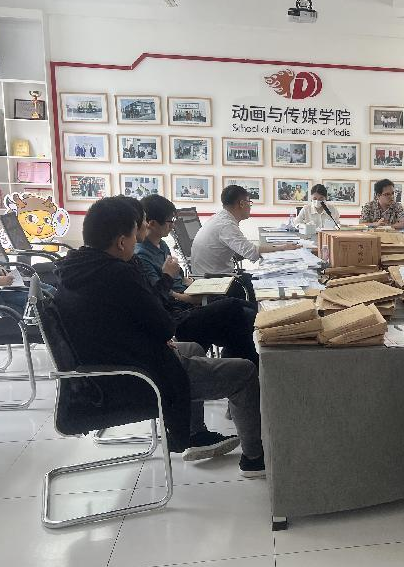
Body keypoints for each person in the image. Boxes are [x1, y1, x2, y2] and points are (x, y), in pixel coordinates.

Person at [54, 197, 265, 475]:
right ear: (121, 242)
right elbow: (165, 326)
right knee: (245, 371)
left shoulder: (74, 268)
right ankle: (254, 459)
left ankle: (195, 434)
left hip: (107, 368)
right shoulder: (118, 274)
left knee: (193, 348)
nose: (137, 239)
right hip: (136, 377)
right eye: (135, 233)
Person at [134, 195, 259, 363]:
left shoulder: (162, 245)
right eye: (170, 222)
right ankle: (251, 358)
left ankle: (246, 358)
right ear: (152, 223)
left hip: (188, 297)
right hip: (179, 312)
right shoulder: (142, 255)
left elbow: (181, 278)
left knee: (241, 312)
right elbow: (161, 294)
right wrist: (189, 297)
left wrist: (196, 285)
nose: (173, 226)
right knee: (233, 307)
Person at [190, 185, 298, 276]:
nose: (250, 207)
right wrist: (283, 248)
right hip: (214, 281)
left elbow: (246, 249)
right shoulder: (226, 225)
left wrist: (280, 246)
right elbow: (252, 252)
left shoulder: (221, 218)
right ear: (241, 204)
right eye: (249, 203)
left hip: (213, 274)